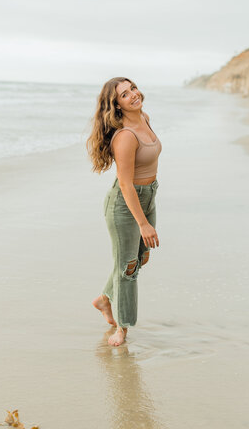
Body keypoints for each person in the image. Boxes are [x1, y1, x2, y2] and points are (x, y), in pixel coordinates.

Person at [86, 77, 162, 346]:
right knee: (128, 267)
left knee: (140, 258)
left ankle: (104, 299)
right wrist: (143, 224)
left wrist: (148, 209)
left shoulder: (145, 119)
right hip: (125, 204)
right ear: (116, 105)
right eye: (124, 94)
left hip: (148, 195)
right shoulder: (125, 136)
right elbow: (126, 184)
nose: (133, 95)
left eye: (133, 89)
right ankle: (123, 327)